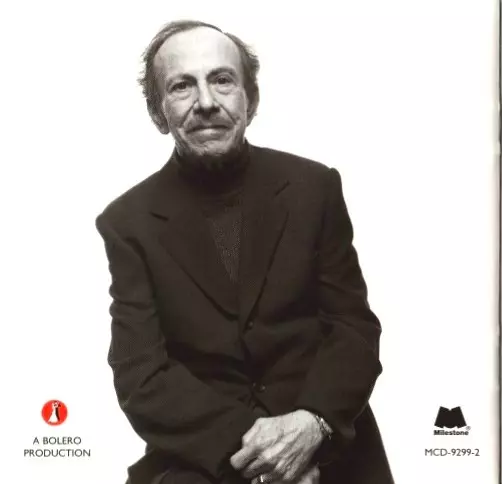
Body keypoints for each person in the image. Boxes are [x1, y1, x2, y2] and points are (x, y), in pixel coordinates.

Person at [95, 19, 394, 484]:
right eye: (181, 86)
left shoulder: (314, 188)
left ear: (250, 99)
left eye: (222, 80)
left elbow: (353, 329)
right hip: (206, 459)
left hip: (328, 447)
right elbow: (141, 376)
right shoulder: (127, 223)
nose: (206, 102)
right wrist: (264, 452)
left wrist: (310, 427)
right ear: (158, 112)